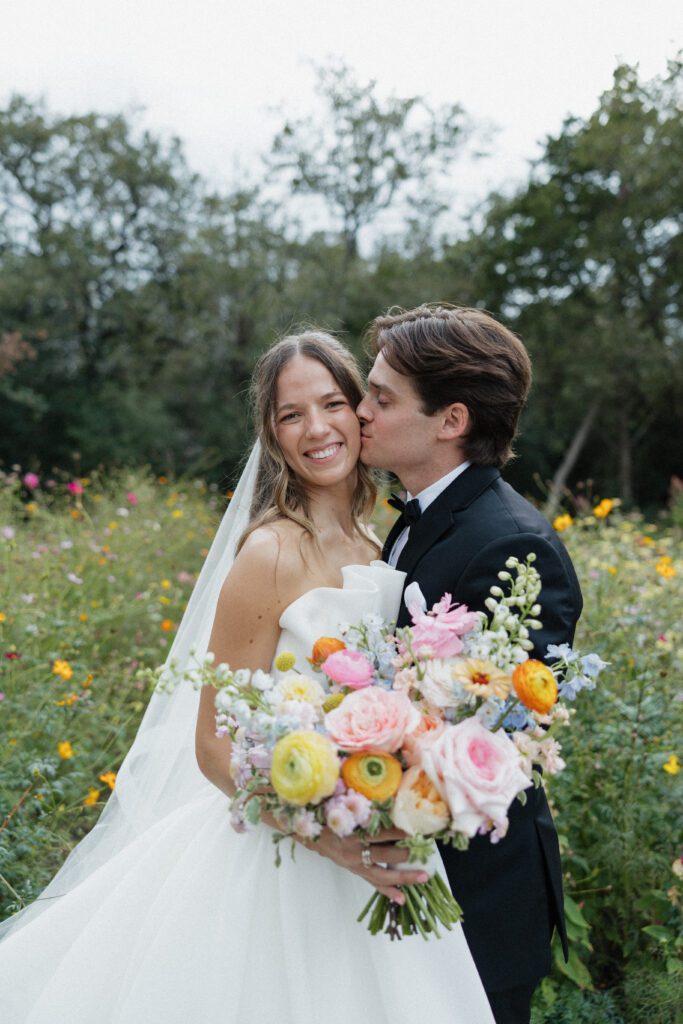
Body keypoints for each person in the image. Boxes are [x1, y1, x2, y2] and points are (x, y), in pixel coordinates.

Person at [0, 330, 495, 1024]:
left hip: (373, 828)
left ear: (361, 410)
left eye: (331, 403)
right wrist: (326, 835)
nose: (316, 429)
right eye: (291, 415)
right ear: (271, 432)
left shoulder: (380, 541)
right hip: (283, 851)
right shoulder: (268, 553)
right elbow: (212, 746)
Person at [357, 304, 583, 1024]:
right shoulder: (424, 512)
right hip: (402, 874)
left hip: (471, 900)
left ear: (449, 420)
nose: (359, 412)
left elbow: (502, 739)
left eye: (380, 398)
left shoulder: (514, 547)